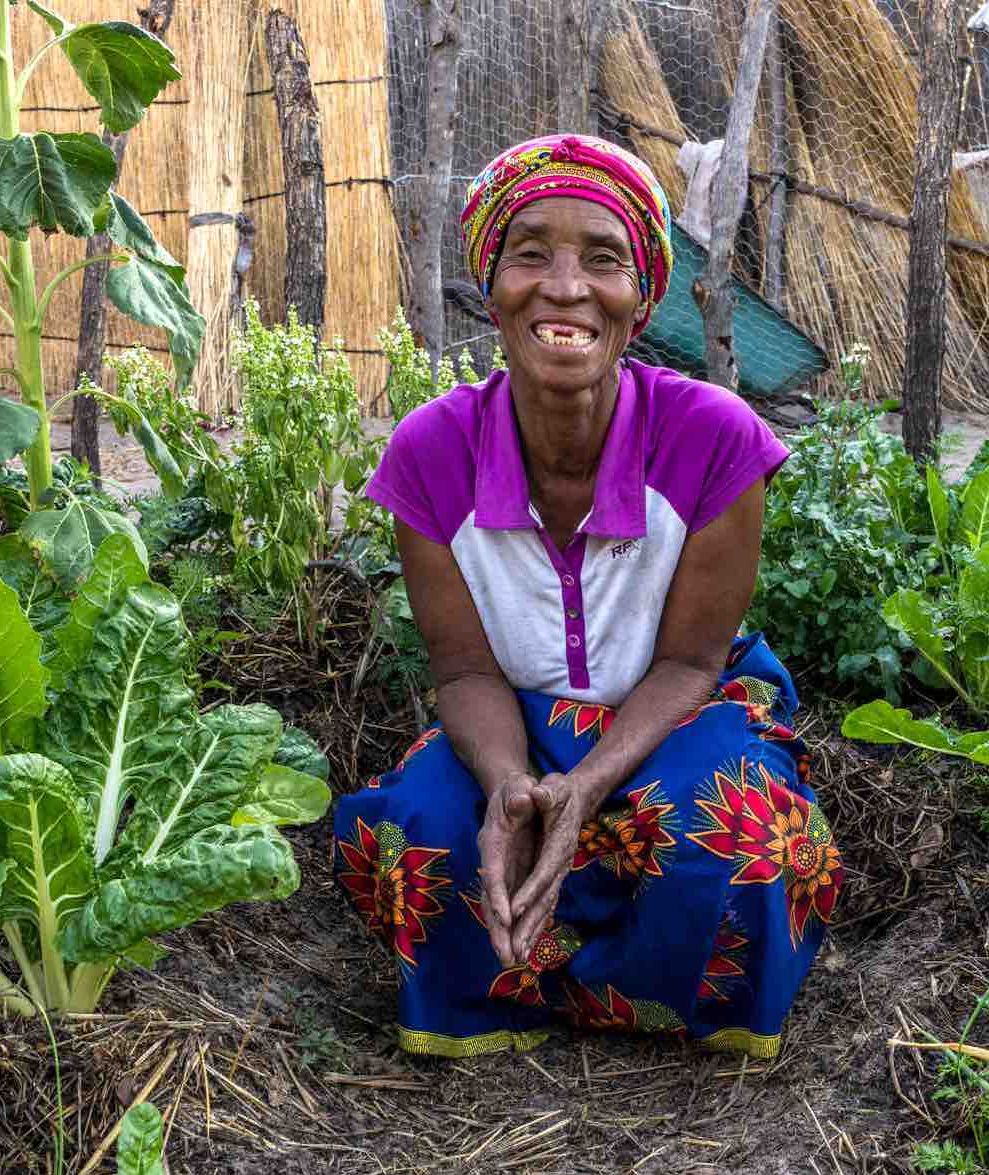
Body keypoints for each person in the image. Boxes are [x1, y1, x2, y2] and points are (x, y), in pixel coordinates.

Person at [333, 134, 841, 1058]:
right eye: (531, 254)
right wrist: (510, 789)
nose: (565, 287)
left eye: (601, 260)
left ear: (641, 303)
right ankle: (533, 983)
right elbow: (462, 671)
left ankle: (621, 991)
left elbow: (690, 661)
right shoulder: (429, 453)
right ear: (491, 289)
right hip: (510, 719)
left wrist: (588, 788)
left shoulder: (712, 439)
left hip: (679, 713)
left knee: (741, 843)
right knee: (423, 840)